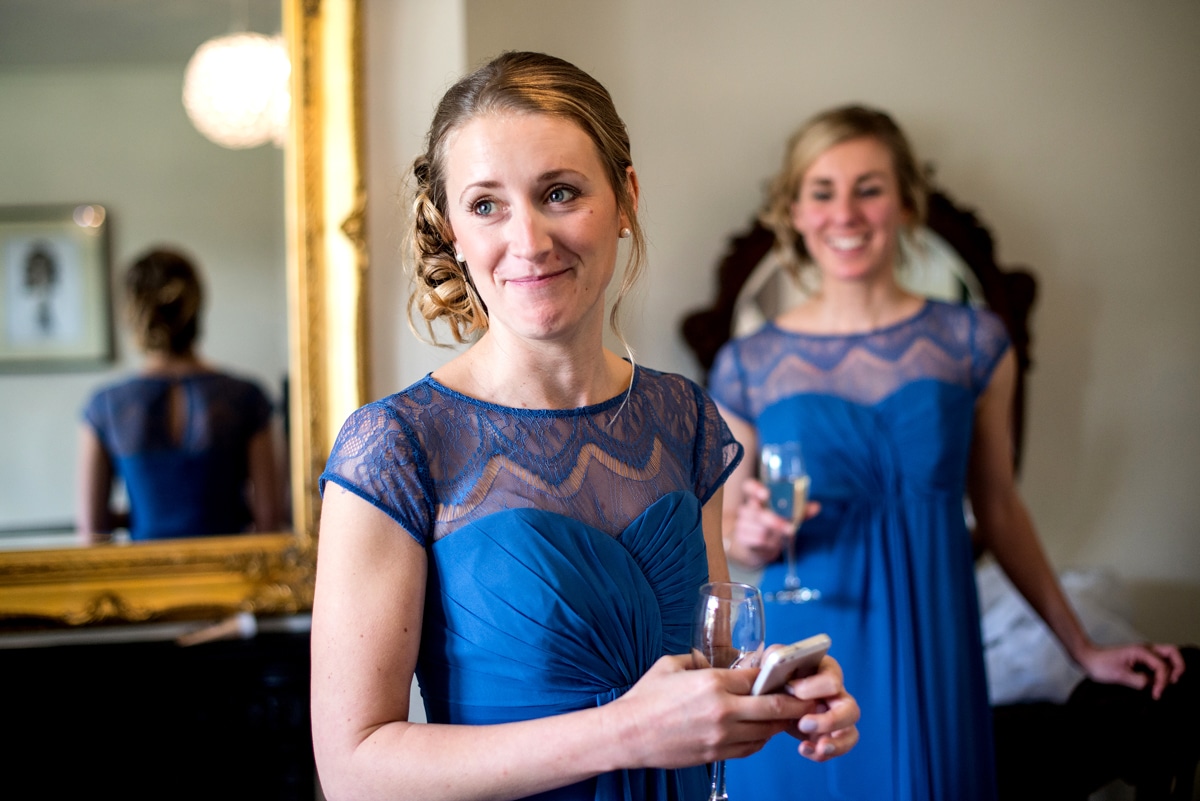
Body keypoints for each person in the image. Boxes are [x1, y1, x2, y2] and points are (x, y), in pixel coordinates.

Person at [311, 51, 860, 801]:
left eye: (560, 192)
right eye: (486, 205)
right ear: (451, 228)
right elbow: (352, 771)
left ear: (626, 197)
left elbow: (705, 663)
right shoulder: (398, 445)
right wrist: (625, 731)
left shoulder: (683, 418)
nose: (529, 241)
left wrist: (776, 691)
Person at [711, 104, 1186, 801]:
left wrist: (1082, 645)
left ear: (906, 202)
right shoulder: (747, 364)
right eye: (822, 190)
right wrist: (746, 532)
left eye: (869, 187)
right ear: (794, 210)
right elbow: (729, 532)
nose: (846, 212)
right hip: (808, 643)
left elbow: (998, 505)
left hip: (932, 635)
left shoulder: (975, 341)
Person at [76, 247, 283, 542]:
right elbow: (269, 522)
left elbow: (92, 532)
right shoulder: (246, 397)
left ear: (132, 314)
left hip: (144, 581)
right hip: (231, 581)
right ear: (196, 307)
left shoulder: (106, 406)